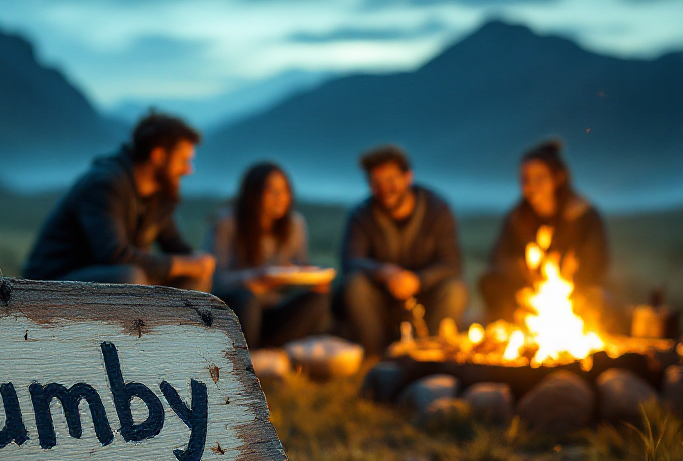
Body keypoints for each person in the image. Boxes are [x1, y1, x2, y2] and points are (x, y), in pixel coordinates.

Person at [21, 112, 215, 290]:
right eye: (183, 161)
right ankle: (138, 329)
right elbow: (113, 254)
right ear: (158, 156)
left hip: (111, 276)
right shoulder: (106, 184)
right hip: (55, 279)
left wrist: (197, 260)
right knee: (128, 276)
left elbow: (173, 244)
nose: (189, 170)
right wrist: (183, 265)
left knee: (195, 279)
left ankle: (173, 329)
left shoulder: (159, 195)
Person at [333, 144, 467, 355]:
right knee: (354, 285)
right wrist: (382, 272)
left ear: (408, 177)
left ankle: (435, 352)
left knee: (455, 289)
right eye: (375, 182)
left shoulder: (437, 210)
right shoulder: (362, 215)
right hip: (381, 303)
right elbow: (351, 260)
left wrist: (418, 280)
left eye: (390, 179)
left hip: (425, 299)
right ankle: (376, 355)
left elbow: (451, 263)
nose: (384, 188)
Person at [479, 139, 609, 324]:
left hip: (573, 294)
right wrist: (524, 271)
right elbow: (499, 258)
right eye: (525, 179)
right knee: (490, 283)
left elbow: (596, 264)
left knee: (595, 298)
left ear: (558, 178)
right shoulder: (517, 217)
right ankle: (510, 332)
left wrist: (565, 276)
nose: (531, 186)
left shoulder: (582, 215)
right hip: (527, 295)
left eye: (539, 178)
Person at [203, 162, 331, 348]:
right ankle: (248, 355)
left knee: (319, 299)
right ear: (253, 193)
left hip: (274, 307)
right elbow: (216, 279)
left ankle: (270, 351)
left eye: (285, 191)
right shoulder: (228, 222)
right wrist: (255, 276)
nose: (280, 198)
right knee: (249, 298)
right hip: (236, 309)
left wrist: (310, 281)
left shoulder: (295, 225)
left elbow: (299, 270)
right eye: (272, 191)